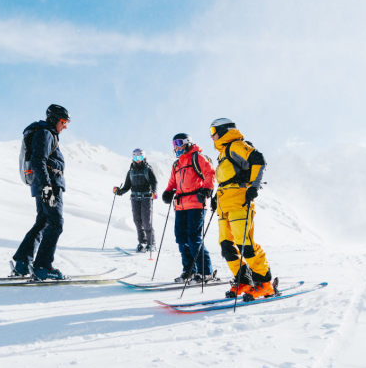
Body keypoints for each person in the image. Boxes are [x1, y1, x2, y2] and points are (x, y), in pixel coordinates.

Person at [209, 118, 274, 299]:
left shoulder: (236, 145)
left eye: (213, 130)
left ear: (224, 130)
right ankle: (243, 280)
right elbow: (226, 179)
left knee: (245, 245)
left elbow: (258, 159)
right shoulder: (222, 154)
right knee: (226, 246)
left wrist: (253, 187)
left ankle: (265, 283)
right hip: (224, 203)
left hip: (239, 201)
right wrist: (216, 198)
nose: (212, 135)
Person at [12, 104, 70, 280]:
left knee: (43, 222)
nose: (65, 126)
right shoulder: (46, 133)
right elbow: (38, 160)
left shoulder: (46, 133)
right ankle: (43, 267)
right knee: (55, 223)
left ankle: (22, 263)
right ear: (54, 120)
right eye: (63, 122)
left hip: (44, 184)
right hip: (48, 185)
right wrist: (47, 188)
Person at [162, 133, 216, 282]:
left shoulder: (197, 157)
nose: (177, 147)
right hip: (181, 206)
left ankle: (206, 272)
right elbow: (172, 183)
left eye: (179, 143)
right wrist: (168, 192)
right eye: (174, 144)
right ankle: (190, 270)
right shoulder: (176, 164)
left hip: (196, 203)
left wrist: (207, 189)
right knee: (181, 239)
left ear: (187, 143)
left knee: (193, 238)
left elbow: (210, 172)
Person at [114, 149, 158, 252]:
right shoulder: (131, 171)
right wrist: (119, 191)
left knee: (146, 221)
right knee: (137, 221)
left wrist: (154, 191)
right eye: (135, 158)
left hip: (146, 198)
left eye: (140, 158)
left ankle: (151, 244)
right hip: (134, 198)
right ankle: (142, 242)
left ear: (144, 158)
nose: (138, 160)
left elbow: (154, 182)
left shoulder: (148, 169)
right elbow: (127, 186)